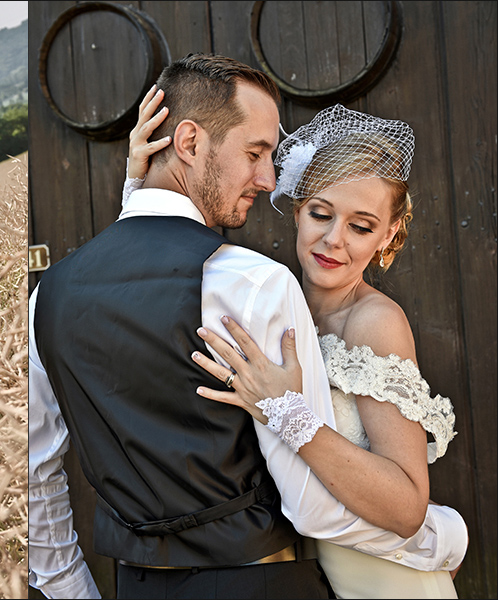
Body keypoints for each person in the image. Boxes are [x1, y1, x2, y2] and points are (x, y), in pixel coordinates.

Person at [27, 54, 466, 599]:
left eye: (361, 226)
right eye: (256, 153)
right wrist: (446, 539)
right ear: (188, 144)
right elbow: (314, 510)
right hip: (268, 580)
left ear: (388, 236)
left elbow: (35, 473)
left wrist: (70, 590)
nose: (267, 179)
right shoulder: (258, 286)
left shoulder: (50, 294)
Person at [161, 103, 463, 598]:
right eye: (321, 213)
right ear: (297, 208)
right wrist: (140, 186)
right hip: (309, 574)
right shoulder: (275, 307)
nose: (332, 239)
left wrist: (287, 411)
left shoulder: (375, 323)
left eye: (361, 227)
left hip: (388, 583)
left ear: (388, 234)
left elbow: (408, 509)